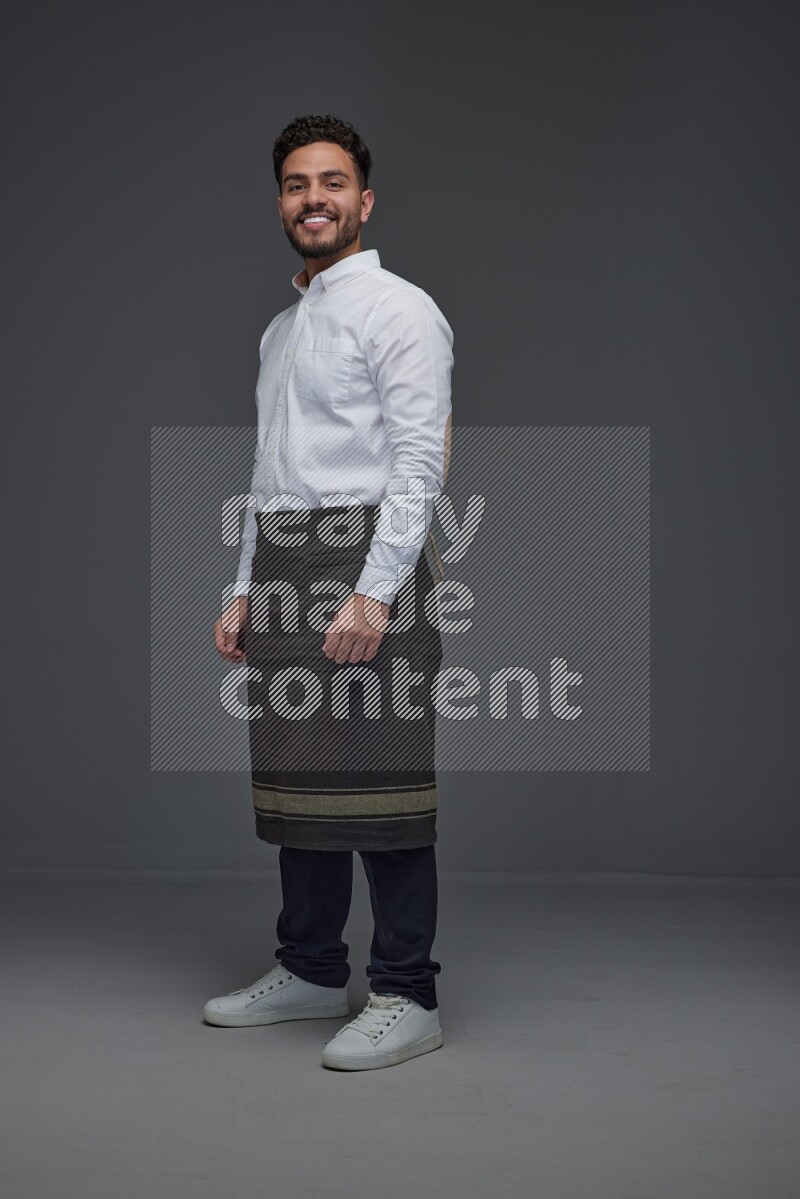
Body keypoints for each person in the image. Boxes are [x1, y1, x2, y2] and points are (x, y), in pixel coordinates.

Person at [208, 114, 454, 1071]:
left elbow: (420, 459)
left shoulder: (399, 308)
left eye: (333, 181)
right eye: (297, 184)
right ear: (281, 201)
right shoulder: (282, 328)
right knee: (300, 781)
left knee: (382, 785)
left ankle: (407, 990)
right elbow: (271, 470)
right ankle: (311, 969)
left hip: (363, 564)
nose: (315, 198)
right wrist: (242, 585)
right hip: (281, 560)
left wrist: (376, 592)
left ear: (365, 199)